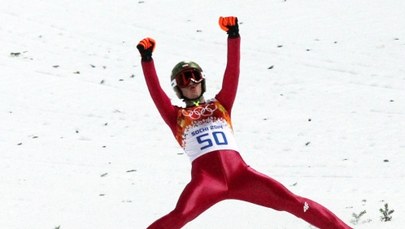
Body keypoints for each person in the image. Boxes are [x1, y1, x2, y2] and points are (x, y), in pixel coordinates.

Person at [136, 16, 352, 229]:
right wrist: (147, 60)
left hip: (241, 175)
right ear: (178, 87)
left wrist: (233, 36)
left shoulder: (221, 104)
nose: (192, 83)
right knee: (180, 215)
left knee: (293, 202)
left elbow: (232, 72)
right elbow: (157, 94)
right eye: (185, 79)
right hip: (207, 181)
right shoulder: (176, 117)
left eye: (195, 76)